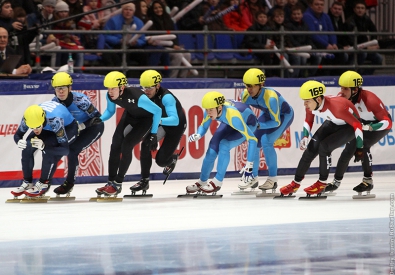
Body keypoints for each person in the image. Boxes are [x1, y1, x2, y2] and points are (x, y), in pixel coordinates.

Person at [279, 80, 363, 197]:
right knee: (311, 149)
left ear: (318, 99)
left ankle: (322, 183)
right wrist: (305, 136)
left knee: (324, 147)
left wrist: (360, 147)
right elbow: (309, 120)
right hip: (333, 121)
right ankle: (295, 183)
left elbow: (357, 125)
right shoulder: (311, 105)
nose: (305, 105)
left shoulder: (337, 107)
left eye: (307, 101)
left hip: (349, 127)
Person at [95, 71, 162, 197]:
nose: (110, 92)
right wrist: (100, 119)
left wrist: (153, 133)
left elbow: (157, 111)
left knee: (126, 145)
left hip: (145, 120)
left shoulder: (137, 96)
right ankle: (110, 182)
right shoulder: (109, 96)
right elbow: (110, 111)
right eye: (108, 88)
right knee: (115, 146)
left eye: (113, 88)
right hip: (130, 116)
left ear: (122, 87)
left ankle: (118, 183)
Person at [327, 71, 392, 194]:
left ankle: (368, 181)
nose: (341, 91)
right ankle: (336, 182)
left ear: (355, 90)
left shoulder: (370, 100)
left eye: (345, 88)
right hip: (361, 123)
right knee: (348, 150)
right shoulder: (342, 97)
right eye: (341, 87)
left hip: (378, 124)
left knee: (364, 146)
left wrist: (371, 127)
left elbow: (388, 123)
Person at [186, 91, 258, 194]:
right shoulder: (211, 109)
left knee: (224, 145)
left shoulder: (233, 116)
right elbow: (204, 125)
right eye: (206, 109)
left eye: (211, 110)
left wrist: (249, 165)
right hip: (228, 122)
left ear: (219, 108)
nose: (208, 112)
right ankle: (202, 181)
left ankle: (218, 181)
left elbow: (252, 139)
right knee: (212, 148)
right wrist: (198, 134)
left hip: (247, 123)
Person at [131, 70, 187, 194]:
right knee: (145, 144)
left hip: (175, 126)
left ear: (157, 86)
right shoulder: (145, 95)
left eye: (150, 88)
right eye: (144, 88)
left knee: (161, 161)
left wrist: (156, 122)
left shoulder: (166, 97)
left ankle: (172, 159)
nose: (146, 91)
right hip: (161, 124)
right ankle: (144, 181)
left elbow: (174, 120)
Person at [238, 68, 294, 192]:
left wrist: (258, 125)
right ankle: (253, 177)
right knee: (254, 141)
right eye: (247, 86)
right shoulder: (245, 95)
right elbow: (243, 112)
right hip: (268, 114)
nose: (249, 89)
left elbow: (276, 122)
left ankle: (272, 179)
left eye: (252, 86)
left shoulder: (271, 98)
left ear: (261, 85)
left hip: (283, 116)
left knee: (267, 141)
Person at [50, 72, 105, 196]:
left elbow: (98, 118)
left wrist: (82, 126)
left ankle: (69, 183)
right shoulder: (54, 102)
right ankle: (45, 182)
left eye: (64, 88)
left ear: (70, 88)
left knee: (73, 150)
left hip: (92, 127)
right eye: (58, 88)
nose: (61, 91)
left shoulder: (81, 100)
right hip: (74, 129)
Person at [11, 102, 78, 198]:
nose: (35, 130)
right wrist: (18, 141)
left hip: (68, 128)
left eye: (37, 127)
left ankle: (44, 183)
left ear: (42, 120)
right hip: (46, 127)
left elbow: (65, 150)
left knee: (50, 147)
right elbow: (17, 135)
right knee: (28, 145)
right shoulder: (28, 118)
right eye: (32, 128)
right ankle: (27, 182)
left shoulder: (55, 120)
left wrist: (44, 147)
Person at [303, 0, 348, 76]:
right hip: (314, 44)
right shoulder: (307, 16)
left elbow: (331, 32)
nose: (319, 6)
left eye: (321, 4)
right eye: (317, 4)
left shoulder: (325, 16)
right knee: (326, 56)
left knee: (341, 54)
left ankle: (337, 78)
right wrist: (327, 45)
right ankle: (322, 77)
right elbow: (313, 35)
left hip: (327, 44)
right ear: (311, 5)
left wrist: (334, 43)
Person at [148, 0, 192, 78]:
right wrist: (173, 46)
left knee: (187, 54)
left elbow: (173, 35)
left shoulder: (168, 19)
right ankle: (172, 79)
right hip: (162, 46)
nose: (158, 10)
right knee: (177, 55)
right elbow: (156, 38)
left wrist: (176, 45)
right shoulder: (151, 21)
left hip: (172, 46)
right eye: (155, 8)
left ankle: (182, 79)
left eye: (160, 7)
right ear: (152, 10)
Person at [344, 0, 383, 75]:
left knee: (379, 58)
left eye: (362, 8)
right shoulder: (349, 22)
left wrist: (372, 44)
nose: (360, 10)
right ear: (354, 9)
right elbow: (351, 41)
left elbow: (374, 31)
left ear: (365, 10)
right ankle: (357, 74)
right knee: (363, 54)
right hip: (353, 49)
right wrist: (366, 48)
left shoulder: (366, 19)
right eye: (358, 8)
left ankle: (365, 75)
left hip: (364, 47)